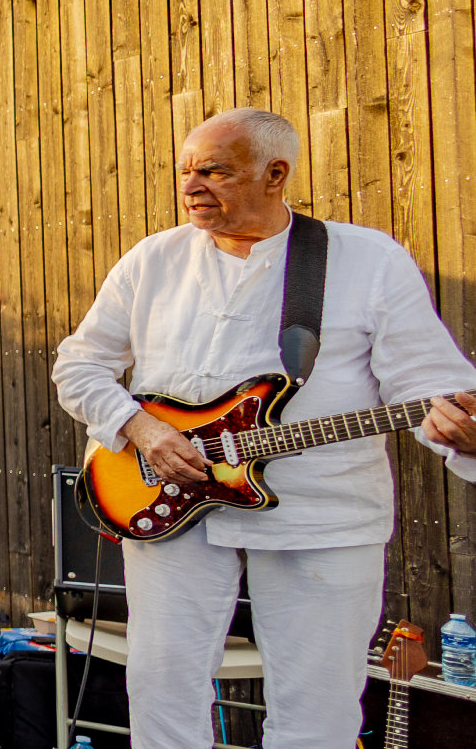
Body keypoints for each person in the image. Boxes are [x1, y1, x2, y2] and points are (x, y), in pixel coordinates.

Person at [52, 107, 476, 748]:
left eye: (213, 171)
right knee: (162, 693)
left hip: (323, 518)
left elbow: (429, 389)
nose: (191, 186)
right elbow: (80, 366)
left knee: (318, 709)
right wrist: (141, 429)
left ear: (275, 173)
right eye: (185, 171)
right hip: (165, 504)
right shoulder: (152, 260)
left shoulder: (367, 261)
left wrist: (458, 432)